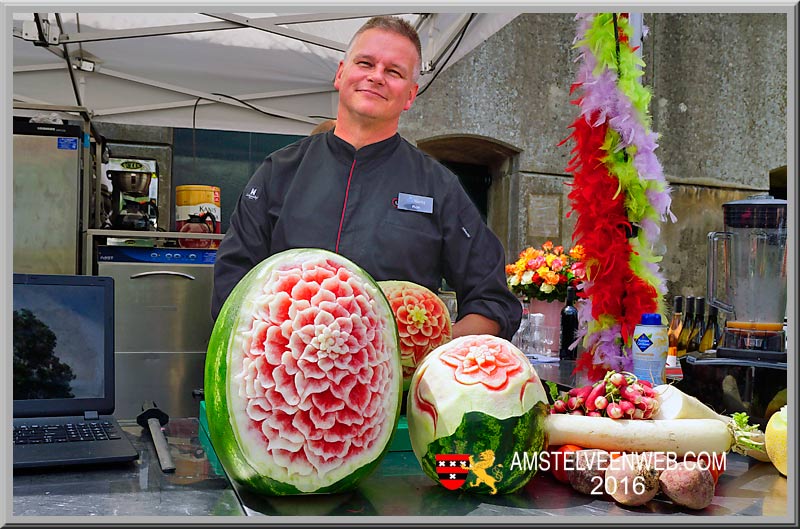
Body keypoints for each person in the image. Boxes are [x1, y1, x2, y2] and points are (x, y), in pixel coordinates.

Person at [212, 16, 521, 340]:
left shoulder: (439, 188)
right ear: (341, 73)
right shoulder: (278, 172)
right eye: (366, 63)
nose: (376, 77)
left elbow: (493, 302)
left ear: (411, 94)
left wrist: (428, 354)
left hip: (394, 389)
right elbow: (232, 287)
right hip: (279, 380)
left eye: (393, 71)